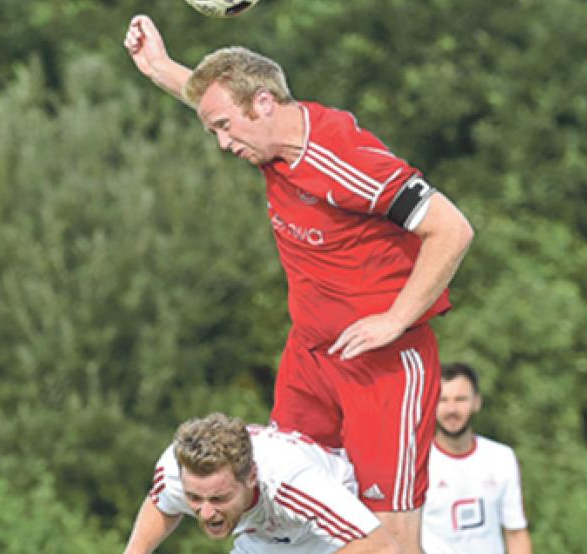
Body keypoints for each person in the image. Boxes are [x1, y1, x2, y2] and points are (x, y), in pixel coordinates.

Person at [124, 15, 475, 551]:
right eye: (212, 129)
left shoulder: (345, 160)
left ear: (265, 104)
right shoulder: (267, 144)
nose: (221, 144)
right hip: (310, 358)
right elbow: (221, 102)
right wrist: (159, 68)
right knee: (280, 503)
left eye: (223, 127)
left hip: (383, 371)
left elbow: (452, 228)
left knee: (392, 542)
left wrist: (395, 319)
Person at [122, 412, 401, 553]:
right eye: (194, 498)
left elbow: (381, 546)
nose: (206, 513)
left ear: (251, 476)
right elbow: (162, 505)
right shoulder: (176, 469)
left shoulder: (291, 479)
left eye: (219, 499)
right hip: (262, 538)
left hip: (324, 539)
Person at [421, 362, 533, 554]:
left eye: (460, 399)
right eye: (443, 400)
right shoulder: (417, 463)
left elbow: (516, 533)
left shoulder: (501, 457)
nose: (451, 409)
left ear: (476, 402)